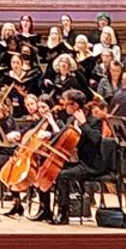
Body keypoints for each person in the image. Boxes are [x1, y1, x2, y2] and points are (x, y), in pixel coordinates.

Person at [33, 89, 112, 225]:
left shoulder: (93, 121)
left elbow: (97, 140)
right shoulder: (70, 119)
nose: (64, 107)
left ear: (75, 105)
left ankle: (63, 215)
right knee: (45, 167)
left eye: (68, 104)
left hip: (91, 164)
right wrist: (49, 135)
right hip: (78, 161)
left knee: (63, 175)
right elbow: (62, 136)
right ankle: (45, 209)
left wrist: (83, 124)